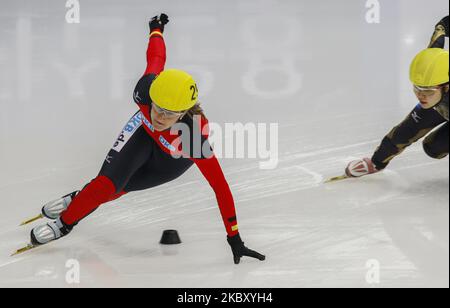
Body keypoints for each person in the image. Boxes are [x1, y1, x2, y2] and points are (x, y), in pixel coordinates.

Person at [28, 14, 265, 265]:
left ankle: (79, 198)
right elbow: (156, 58)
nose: (159, 117)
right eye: (157, 107)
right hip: (144, 137)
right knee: (106, 185)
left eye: (169, 114)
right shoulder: (145, 91)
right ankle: (65, 223)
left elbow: (221, 187)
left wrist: (234, 238)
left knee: (116, 192)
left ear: (184, 113)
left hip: (170, 162)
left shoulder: (193, 138)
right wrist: (156, 29)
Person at [345, 16, 449, 178]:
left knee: (436, 145)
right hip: (442, 103)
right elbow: (402, 134)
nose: (421, 95)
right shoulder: (434, 62)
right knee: (431, 147)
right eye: (417, 88)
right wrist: (376, 162)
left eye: (428, 91)